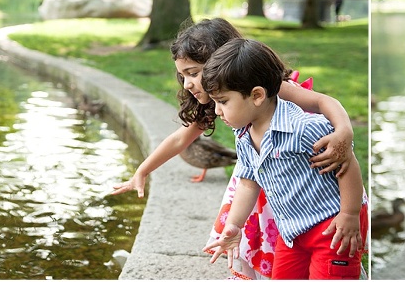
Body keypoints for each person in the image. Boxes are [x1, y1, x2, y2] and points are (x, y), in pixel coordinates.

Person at [111, 18, 360, 279]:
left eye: (194, 73)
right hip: (259, 176)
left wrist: (344, 131)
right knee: (270, 245)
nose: (187, 84)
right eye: (182, 75)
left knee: (310, 248)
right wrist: (143, 170)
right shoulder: (221, 104)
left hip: (300, 186)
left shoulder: (272, 93)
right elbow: (180, 140)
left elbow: (322, 102)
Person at [201, 38, 368, 280]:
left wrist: (350, 214)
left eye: (223, 101)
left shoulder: (303, 128)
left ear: (257, 95)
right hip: (290, 234)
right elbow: (248, 182)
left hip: (331, 230)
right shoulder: (244, 134)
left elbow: (347, 161)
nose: (217, 111)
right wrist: (234, 225)